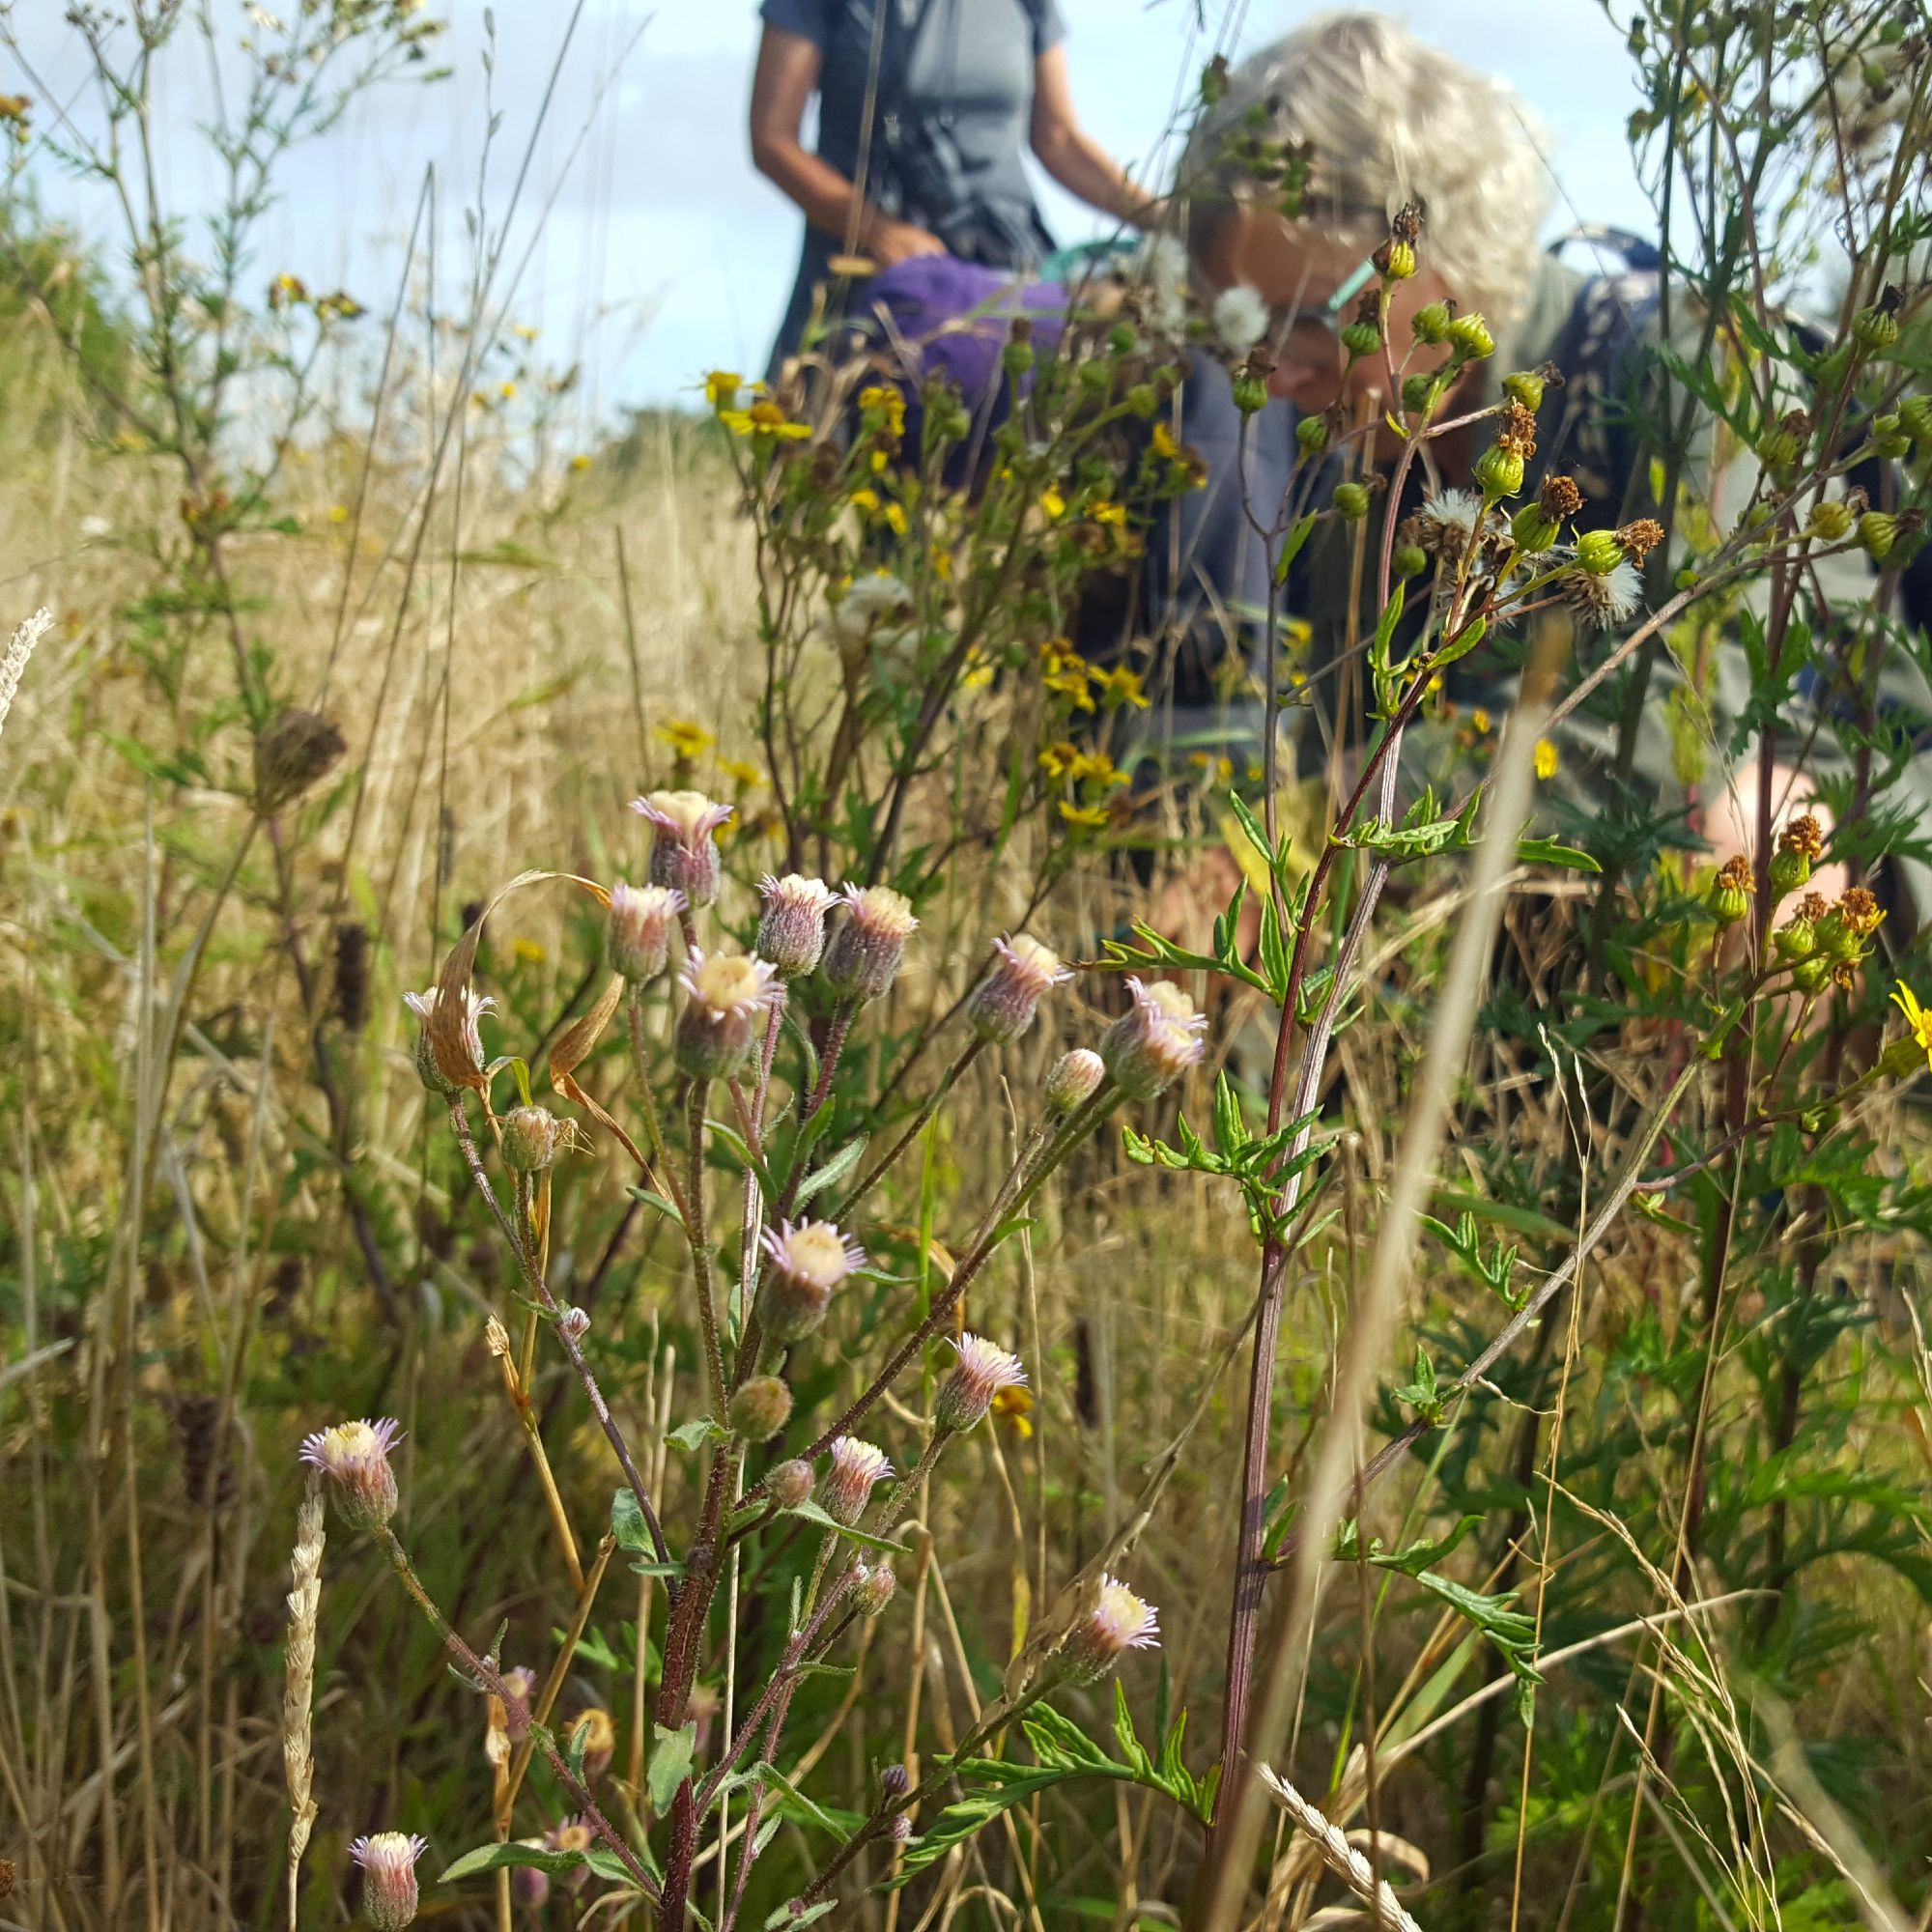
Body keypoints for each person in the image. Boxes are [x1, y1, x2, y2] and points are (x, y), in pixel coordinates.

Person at [1174, 13, 1932, 913]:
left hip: (1854, 819)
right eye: (1233, 323)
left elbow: (1671, 749)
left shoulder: (1679, 367)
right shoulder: (1378, 457)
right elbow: (1345, 732)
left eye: (1301, 316)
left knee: (1735, 848)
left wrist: (1309, 831)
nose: (1270, 369)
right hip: (1535, 870)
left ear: (1439, 249)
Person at [749, 0, 1155, 380]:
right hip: (869, 280)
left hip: (1010, 271)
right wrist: (876, 231)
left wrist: (1166, 221)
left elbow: (1060, 140)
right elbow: (773, 139)